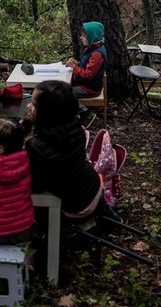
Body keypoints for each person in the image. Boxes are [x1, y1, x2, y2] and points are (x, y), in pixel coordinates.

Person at [24, 80, 104, 220]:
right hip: (94, 188)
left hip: (76, 208)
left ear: (49, 112)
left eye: (34, 104)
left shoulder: (36, 146)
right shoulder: (76, 128)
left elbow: (35, 186)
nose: (28, 106)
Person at [65, 21, 107, 121]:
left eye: (84, 36)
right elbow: (87, 65)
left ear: (92, 37)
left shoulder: (97, 54)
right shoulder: (92, 48)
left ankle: (85, 112)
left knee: (63, 93)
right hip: (86, 85)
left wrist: (74, 67)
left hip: (90, 89)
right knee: (61, 89)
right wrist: (77, 63)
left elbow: (88, 75)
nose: (81, 37)